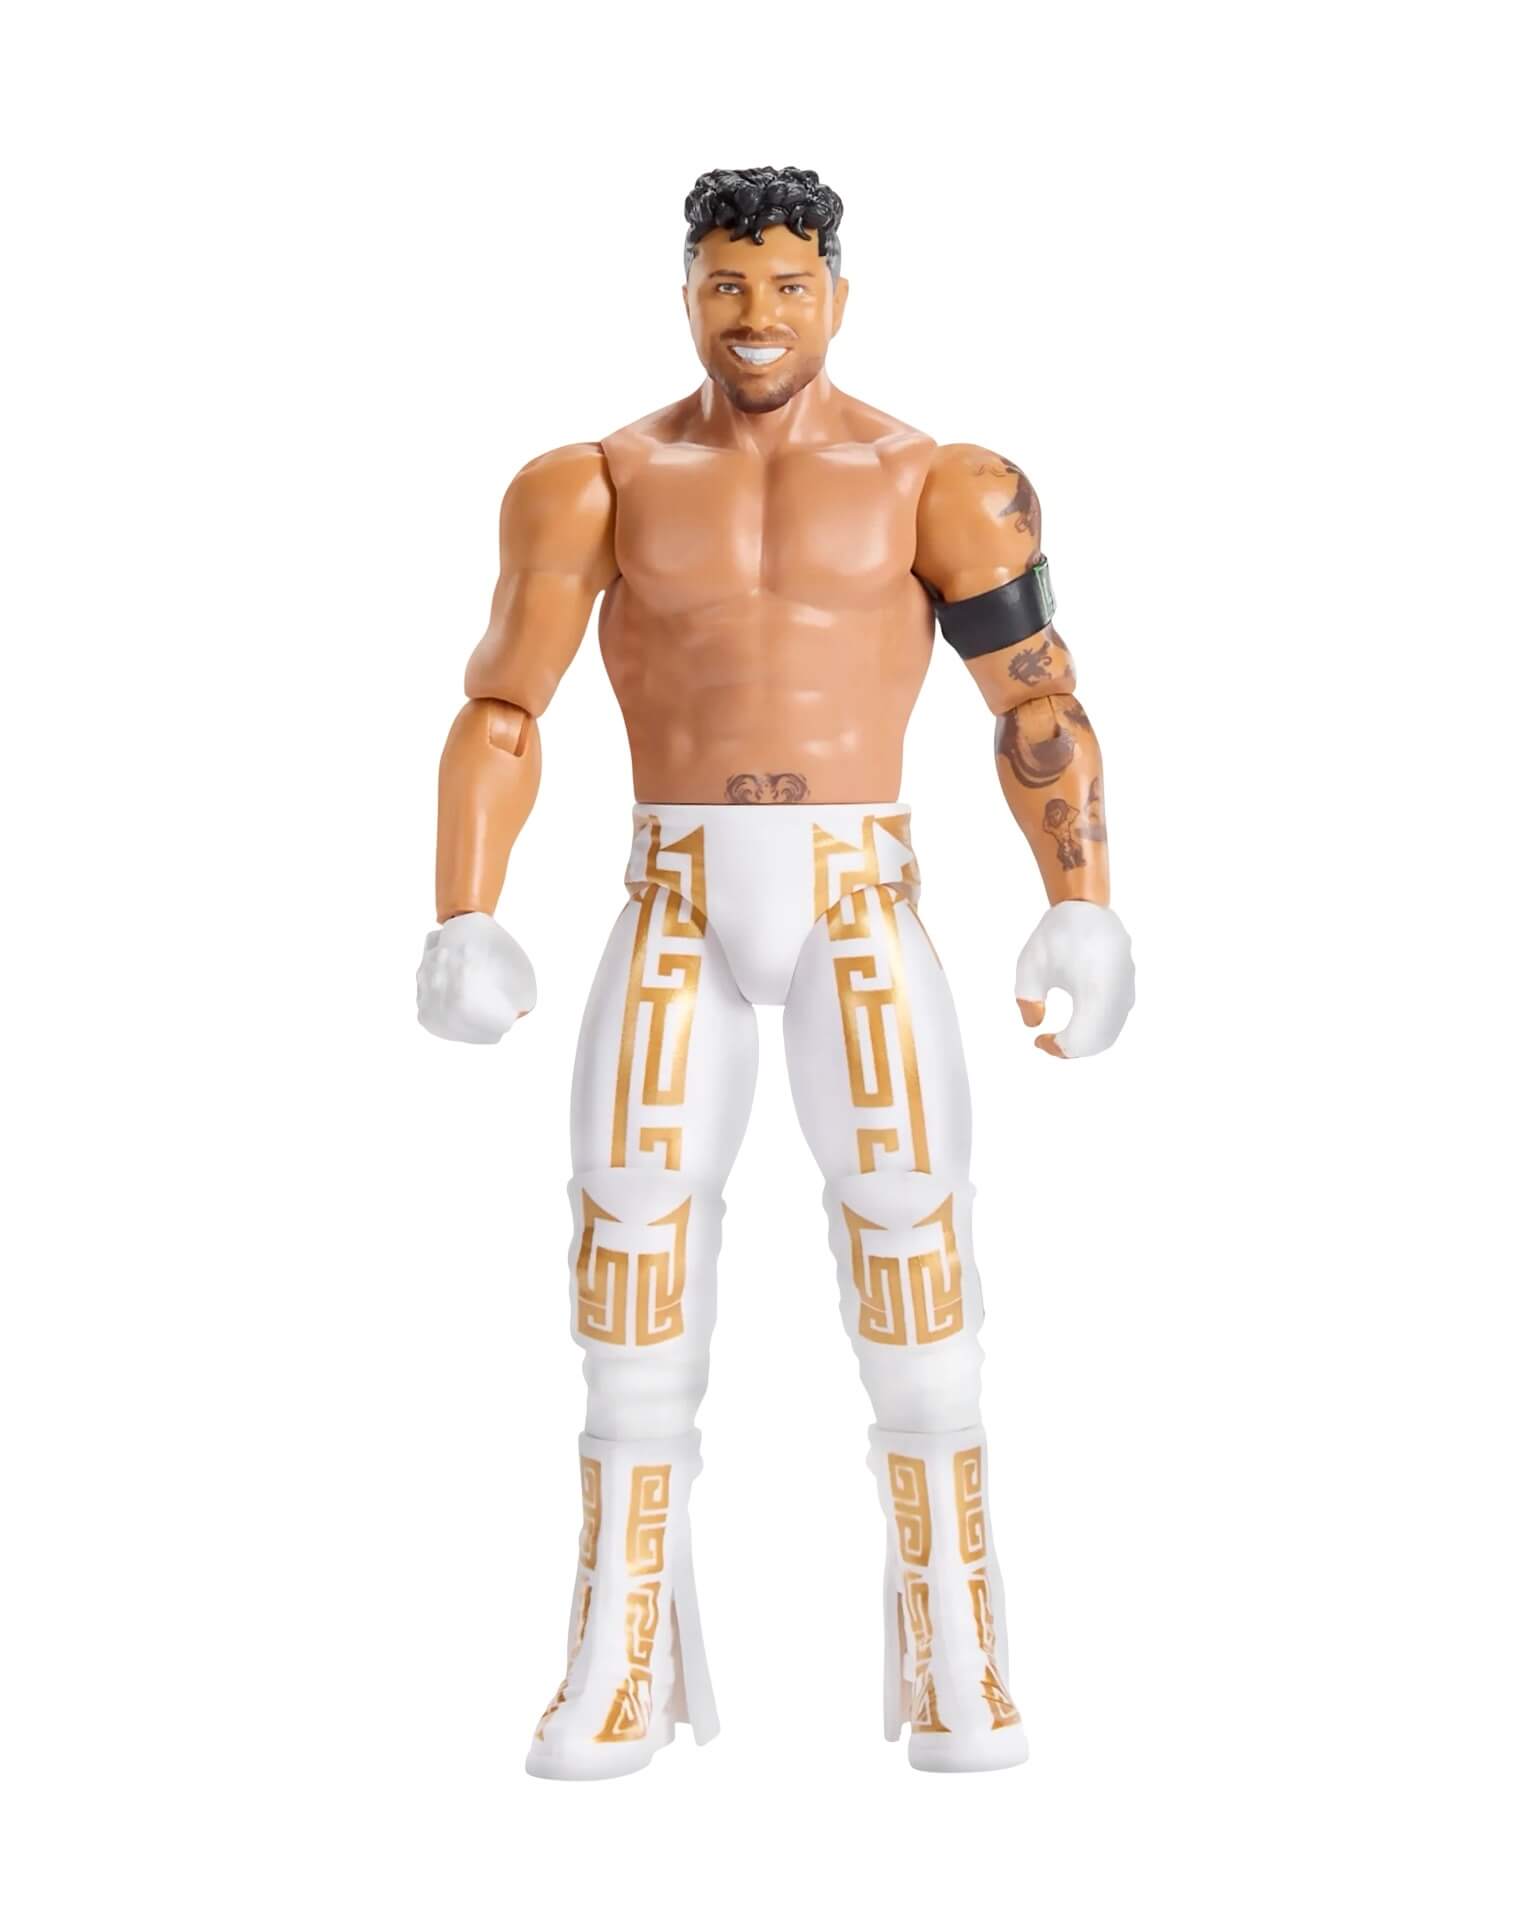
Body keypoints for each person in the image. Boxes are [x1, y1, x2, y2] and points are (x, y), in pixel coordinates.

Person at [416, 166, 1135, 1778]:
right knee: (629, 1266)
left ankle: (960, 1653)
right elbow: (504, 706)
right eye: (728, 283)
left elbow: (1036, 700)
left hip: (855, 890)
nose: (757, 316)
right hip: (672, 887)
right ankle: (615, 1660)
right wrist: (464, 908)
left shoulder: (938, 482)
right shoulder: (594, 483)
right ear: (686, 289)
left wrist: (1081, 898)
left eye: (788, 285)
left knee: (916, 1257)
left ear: (837, 295)